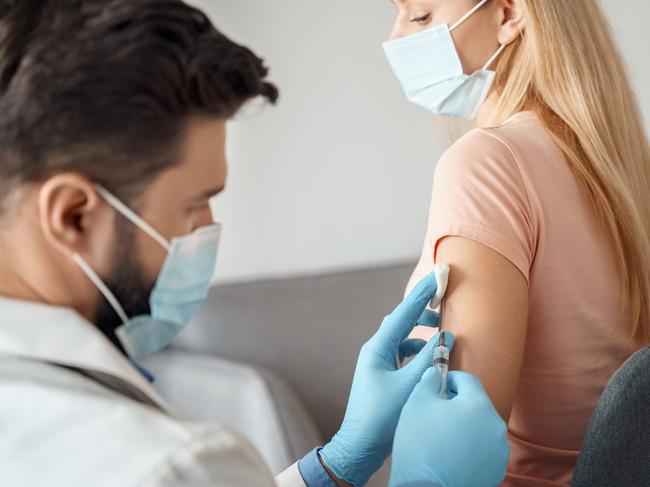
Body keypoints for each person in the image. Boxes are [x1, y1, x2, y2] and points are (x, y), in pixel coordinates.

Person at [0, 1, 510, 486]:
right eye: (194, 204)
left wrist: (335, 465)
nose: (205, 229)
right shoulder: (171, 466)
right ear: (72, 215)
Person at [383, 0, 650, 485]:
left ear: (507, 14)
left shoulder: (488, 164)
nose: (396, 39)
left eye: (419, 15)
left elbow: (458, 462)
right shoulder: (629, 168)